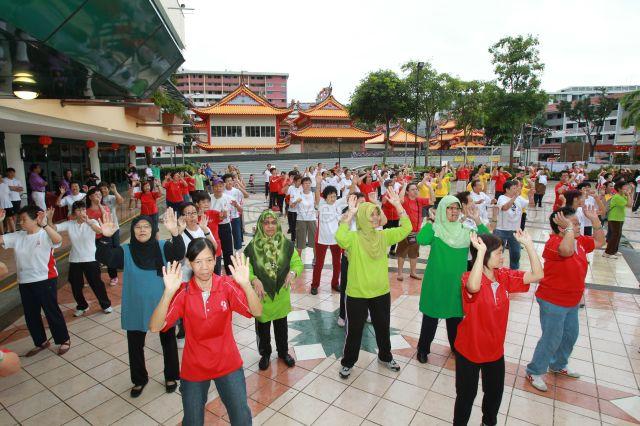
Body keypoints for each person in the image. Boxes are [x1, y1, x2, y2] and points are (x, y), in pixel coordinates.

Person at [149, 245, 260, 426]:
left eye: (209, 260)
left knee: (241, 416)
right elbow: (155, 326)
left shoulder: (226, 286)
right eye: (198, 262)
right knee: (192, 421)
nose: (205, 267)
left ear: (215, 260)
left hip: (227, 361)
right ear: (190, 264)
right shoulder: (183, 292)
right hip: (195, 365)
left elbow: (256, 311)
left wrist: (246, 284)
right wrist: (168, 293)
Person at [454, 231, 543, 426]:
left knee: (494, 394)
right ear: (483, 256)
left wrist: (528, 245)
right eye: (499, 253)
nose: (503, 257)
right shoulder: (468, 277)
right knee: (466, 396)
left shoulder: (503, 276)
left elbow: (538, 274)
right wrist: (480, 253)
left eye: (503, 252)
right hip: (469, 349)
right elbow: (474, 287)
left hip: (494, 350)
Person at [96, 209, 185, 397]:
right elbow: (104, 257)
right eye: (138, 227)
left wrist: (175, 233)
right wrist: (104, 237)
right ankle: (139, 379)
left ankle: (171, 376)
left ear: (153, 230)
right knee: (135, 346)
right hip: (135, 306)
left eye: (146, 227)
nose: (142, 230)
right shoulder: (125, 251)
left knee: (168, 342)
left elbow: (179, 254)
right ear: (133, 230)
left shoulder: (163, 246)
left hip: (161, 305)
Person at [526, 206, 605, 392]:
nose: (579, 226)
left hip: (572, 300)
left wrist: (594, 220)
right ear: (562, 227)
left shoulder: (581, 241)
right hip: (552, 300)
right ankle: (534, 371)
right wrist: (570, 230)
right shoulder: (553, 243)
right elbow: (566, 251)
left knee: (570, 335)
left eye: (578, 223)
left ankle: (558, 364)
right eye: (574, 223)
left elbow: (601, 241)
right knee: (551, 338)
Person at [335, 190, 411, 378]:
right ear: (361, 218)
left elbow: (406, 228)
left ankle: (385, 357)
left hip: (380, 292)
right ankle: (348, 362)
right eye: (371, 214)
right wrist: (351, 214)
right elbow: (340, 237)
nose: (376, 217)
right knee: (354, 332)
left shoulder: (383, 236)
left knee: (383, 327)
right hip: (357, 294)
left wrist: (398, 206)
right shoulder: (353, 238)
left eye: (377, 214)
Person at [415, 195, 490, 363]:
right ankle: (423, 349)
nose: (454, 211)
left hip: (456, 284)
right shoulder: (435, 229)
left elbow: (488, 240)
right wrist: (431, 221)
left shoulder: (466, 230)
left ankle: (456, 347)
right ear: (442, 209)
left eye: (456, 208)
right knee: (430, 319)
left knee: (455, 319)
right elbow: (421, 239)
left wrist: (477, 220)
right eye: (450, 208)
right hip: (436, 282)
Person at [0, 206, 70, 356]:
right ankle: (41, 342)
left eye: (24, 219)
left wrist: (44, 224)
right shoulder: (18, 236)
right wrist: (0, 221)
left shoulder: (45, 234)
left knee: (51, 311)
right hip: (25, 282)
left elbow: (58, 240)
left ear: (35, 219)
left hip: (45, 279)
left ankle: (63, 339)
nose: (21, 222)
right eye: (20, 220)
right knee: (31, 314)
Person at [246, 210, 303, 370]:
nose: (270, 226)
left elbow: (297, 263)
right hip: (261, 296)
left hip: (281, 294)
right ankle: (265, 354)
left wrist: (292, 273)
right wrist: (254, 279)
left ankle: (283, 352)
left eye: (273, 222)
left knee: (281, 326)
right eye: (266, 223)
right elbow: (246, 268)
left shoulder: (286, 245)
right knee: (262, 328)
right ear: (260, 225)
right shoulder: (252, 247)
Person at [54, 201, 112, 316]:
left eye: (83, 209)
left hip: (91, 258)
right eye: (79, 210)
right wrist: (49, 220)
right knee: (75, 285)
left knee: (96, 283)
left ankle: (106, 305)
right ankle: (82, 305)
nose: (82, 212)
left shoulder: (92, 222)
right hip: (75, 259)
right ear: (74, 212)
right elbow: (54, 228)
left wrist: (89, 222)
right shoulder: (70, 224)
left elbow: (100, 231)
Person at [312, 175, 348, 295]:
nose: (333, 198)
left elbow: (349, 196)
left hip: (335, 239)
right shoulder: (321, 204)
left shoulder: (337, 204)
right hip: (321, 240)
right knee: (319, 264)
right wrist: (318, 184)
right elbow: (317, 196)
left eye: (334, 196)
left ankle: (335, 284)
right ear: (325, 197)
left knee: (337, 263)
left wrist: (353, 183)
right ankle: (315, 285)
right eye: (331, 196)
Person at [397, 183, 430, 281]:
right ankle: (399, 273)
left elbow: (432, 200)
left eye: (416, 189)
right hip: (405, 232)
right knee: (402, 253)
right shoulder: (405, 201)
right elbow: (399, 199)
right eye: (412, 189)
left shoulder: (419, 200)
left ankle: (413, 272)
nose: (415, 191)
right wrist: (404, 185)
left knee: (414, 254)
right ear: (407, 192)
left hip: (416, 232)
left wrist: (429, 188)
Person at [494, 180, 529, 269]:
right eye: (514, 188)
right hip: (502, 230)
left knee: (516, 254)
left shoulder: (519, 198)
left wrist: (531, 195)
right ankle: (496, 271)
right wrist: (515, 197)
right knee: (497, 253)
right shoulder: (501, 198)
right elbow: (505, 208)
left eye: (516, 188)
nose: (516, 190)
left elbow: (530, 204)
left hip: (515, 231)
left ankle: (514, 272)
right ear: (507, 189)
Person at [209, 178, 234, 275]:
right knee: (213, 251)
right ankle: (214, 273)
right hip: (212, 228)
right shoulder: (209, 198)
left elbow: (238, 209)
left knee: (228, 251)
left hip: (225, 227)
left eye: (220, 186)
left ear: (223, 187)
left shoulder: (228, 198)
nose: (218, 188)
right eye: (216, 186)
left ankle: (230, 274)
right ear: (212, 187)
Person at [604, 180, 633, 259]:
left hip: (619, 218)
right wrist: (628, 194)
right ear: (619, 189)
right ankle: (608, 252)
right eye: (625, 187)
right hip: (614, 218)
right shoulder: (617, 197)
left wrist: (628, 194)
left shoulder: (622, 196)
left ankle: (614, 251)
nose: (626, 188)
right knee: (615, 235)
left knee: (617, 235)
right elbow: (630, 205)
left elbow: (630, 202)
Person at [291, 176, 316, 258]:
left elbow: (317, 204)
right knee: (300, 241)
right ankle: (298, 259)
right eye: (305, 183)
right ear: (302, 185)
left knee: (314, 240)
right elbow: (291, 206)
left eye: (309, 183)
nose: (307, 185)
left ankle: (315, 258)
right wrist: (295, 201)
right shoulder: (298, 194)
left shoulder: (313, 194)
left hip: (312, 219)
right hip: (301, 220)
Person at [222, 174, 249, 251]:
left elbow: (247, 195)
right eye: (227, 181)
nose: (230, 182)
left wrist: (239, 188)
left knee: (237, 235)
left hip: (235, 216)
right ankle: (227, 251)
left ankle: (238, 252)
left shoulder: (236, 190)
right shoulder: (222, 191)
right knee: (227, 236)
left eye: (231, 180)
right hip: (225, 218)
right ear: (224, 182)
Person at [286, 174, 302, 243]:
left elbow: (301, 199)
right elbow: (287, 197)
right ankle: (293, 239)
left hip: (298, 211)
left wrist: (294, 203)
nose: (299, 183)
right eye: (298, 181)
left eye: (300, 181)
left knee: (296, 226)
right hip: (290, 210)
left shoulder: (301, 189)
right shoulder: (291, 188)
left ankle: (296, 239)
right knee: (291, 225)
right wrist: (289, 204)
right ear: (294, 181)